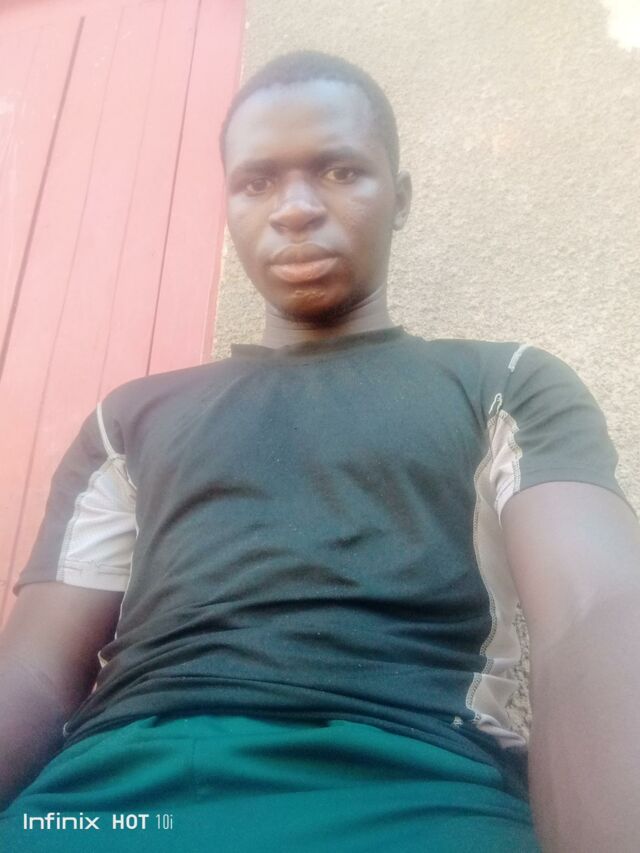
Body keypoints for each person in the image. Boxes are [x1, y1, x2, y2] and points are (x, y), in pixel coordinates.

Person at [0, 50, 638, 853]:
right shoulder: (130, 417)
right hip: (108, 802)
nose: (296, 209)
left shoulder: (501, 382)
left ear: (401, 198)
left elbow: (593, 610)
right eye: (257, 182)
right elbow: (33, 670)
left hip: (412, 788)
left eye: (339, 171)